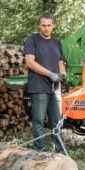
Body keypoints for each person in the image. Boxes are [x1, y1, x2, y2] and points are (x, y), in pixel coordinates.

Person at [23, 12, 67, 154]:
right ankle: (41, 151)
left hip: (53, 88)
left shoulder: (57, 43)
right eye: (43, 25)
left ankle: (60, 152)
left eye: (49, 25)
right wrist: (49, 74)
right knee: (39, 121)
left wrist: (63, 74)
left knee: (56, 121)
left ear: (53, 25)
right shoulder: (32, 40)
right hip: (38, 87)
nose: (46, 28)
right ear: (39, 25)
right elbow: (30, 62)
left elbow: (60, 63)